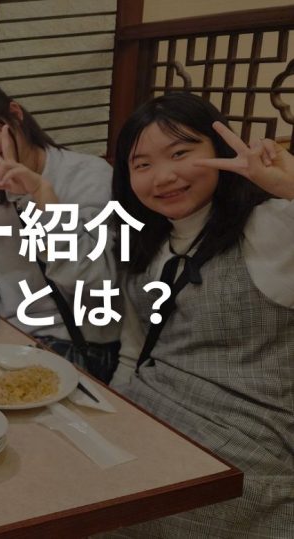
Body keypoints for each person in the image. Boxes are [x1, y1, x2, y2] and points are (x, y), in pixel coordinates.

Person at [106, 93, 293, 537]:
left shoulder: (271, 226)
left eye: (180, 154)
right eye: (142, 164)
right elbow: (134, 349)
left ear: (219, 151)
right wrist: (110, 413)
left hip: (245, 438)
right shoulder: (144, 242)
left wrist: (290, 187)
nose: (164, 176)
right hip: (150, 410)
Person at [0, 80, 120, 382]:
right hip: (11, 336)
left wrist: (42, 200)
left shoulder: (89, 176)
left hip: (76, 345)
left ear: (15, 115)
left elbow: (93, 280)